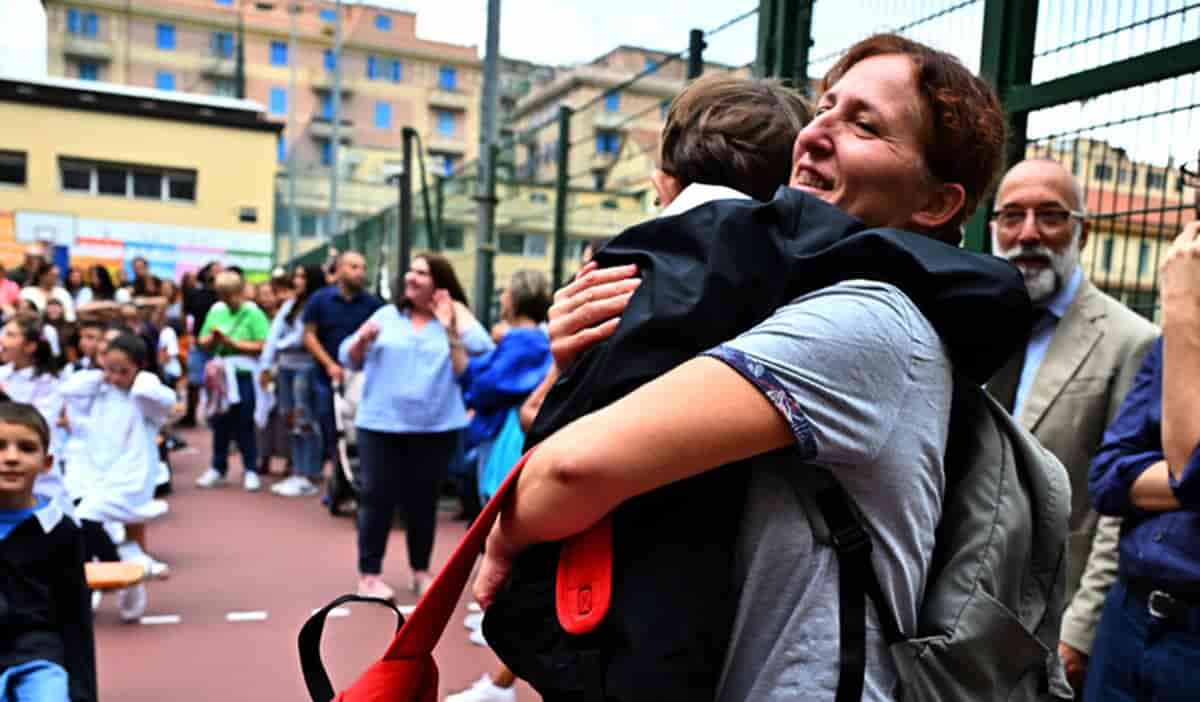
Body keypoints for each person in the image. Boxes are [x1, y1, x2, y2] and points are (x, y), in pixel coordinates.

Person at [475, 34, 1018, 701]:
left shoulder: (870, 321)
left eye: (864, 125)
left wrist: (504, 536)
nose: (816, 132)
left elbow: (571, 469)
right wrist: (579, 361)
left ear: (935, 204)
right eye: (825, 106)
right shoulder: (786, 295)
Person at [984, 158, 1159, 691]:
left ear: (1081, 230)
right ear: (993, 228)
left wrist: (1080, 632)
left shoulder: (1132, 341)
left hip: (1051, 617)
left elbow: (1118, 507)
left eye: (1051, 216)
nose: (1029, 232)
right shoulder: (972, 323)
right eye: (1012, 216)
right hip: (957, 606)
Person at [1085, 220, 1200, 701]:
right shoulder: (1175, 339)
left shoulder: (1183, 320)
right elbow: (1106, 475)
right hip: (1128, 618)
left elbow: (1190, 461)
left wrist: (1179, 308)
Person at [339, 253, 491, 600]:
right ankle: (369, 575)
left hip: (436, 427)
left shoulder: (449, 322)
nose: (411, 277)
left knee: (423, 502)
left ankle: (420, 570)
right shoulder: (387, 316)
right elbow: (347, 356)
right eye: (410, 271)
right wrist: (362, 339)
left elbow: (482, 349)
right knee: (377, 498)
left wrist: (453, 316)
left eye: (421, 273)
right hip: (380, 425)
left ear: (439, 284)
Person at [448, 270, 553, 702]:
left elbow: (483, 383)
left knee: (505, 524)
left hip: (512, 434)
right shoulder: (520, 340)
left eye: (507, 291)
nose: (503, 297)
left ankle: (500, 630)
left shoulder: (525, 341)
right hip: (507, 432)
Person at [61, 332, 177, 622]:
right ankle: (112, 583)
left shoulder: (145, 397)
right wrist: (103, 374)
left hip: (131, 477)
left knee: (85, 517)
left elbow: (162, 399)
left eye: (122, 370)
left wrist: (141, 378)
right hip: (95, 474)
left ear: (140, 367)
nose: (114, 377)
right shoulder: (99, 390)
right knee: (78, 530)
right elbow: (70, 390)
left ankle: (127, 563)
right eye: (109, 368)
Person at [0, 402, 97, 702]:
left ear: (47, 462)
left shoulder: (60, 531)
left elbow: (75, 615)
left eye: (26, 448)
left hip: (38, 653)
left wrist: (83, 692)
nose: (11, 458)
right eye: (0, 446)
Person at [302, 251, 382, 477]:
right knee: (329, 425)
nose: (359, 272)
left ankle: (354, 477)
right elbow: (309, 335)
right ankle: (337, 478)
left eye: (362, 267)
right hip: (325, 376)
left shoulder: (372, 304)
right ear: (339, 270)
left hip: (360, 378)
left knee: (356, 430)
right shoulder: (320, 299)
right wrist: (329, 365)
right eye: (353, 267)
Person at [193, 271, 270, 491]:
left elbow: (262, 344)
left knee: (245, 421)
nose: (227, 300)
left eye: (230, 295)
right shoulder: (216, 310)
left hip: (244, 374)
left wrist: (233, 343)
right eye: (222, 295)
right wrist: (213, 339)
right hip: (221, 376)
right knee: (220, 421)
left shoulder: (253, 313)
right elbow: (202, 339)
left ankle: (250, 469)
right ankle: (217, 467)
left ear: (240, 291)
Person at [261, 264, 325, 498]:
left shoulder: (313, 305)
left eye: (302, 276)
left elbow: (300, 338)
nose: (296, 280)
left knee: (303, 418)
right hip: (286, 367)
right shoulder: (290, 305)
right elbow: (274, 335)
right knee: (289, 417)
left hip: (304, 368)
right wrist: (267, 364)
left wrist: (276, 348)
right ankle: (298, 469)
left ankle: (307, 472)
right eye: (296, 275)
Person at [0, 313, 66, 506]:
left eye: (11, 335)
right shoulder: (2, 374)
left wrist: (5, 397)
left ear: (29, 346)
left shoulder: (49, 383)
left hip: (38, 476)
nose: (2, 340)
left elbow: (40, 423)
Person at [180, 262, 221, 428]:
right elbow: (185, 313)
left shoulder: (223, 295)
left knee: (216, 382)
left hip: (218, 344)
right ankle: (190, 415)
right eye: (216, 269)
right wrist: (187, 334)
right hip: (198, 342)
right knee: (193, 381)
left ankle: (214, 415)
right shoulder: (196, 294)